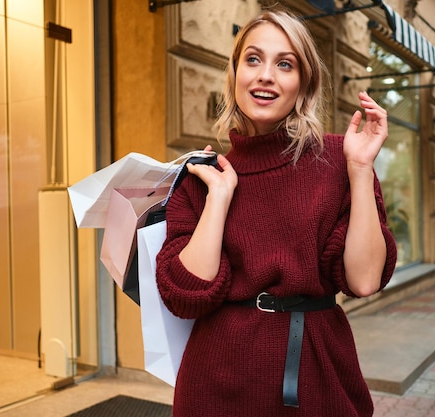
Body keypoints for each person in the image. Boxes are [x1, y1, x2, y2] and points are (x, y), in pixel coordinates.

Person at [156, 9, 397, 416]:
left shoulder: (342, 159)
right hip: (215, 384)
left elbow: (365, 279)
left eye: (285, 64)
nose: (266, 75)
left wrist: (359, 171)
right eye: (253, 59)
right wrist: (219, 196)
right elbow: (186, 296)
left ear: (303, 83)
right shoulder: (201, 176)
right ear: (234, 75)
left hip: (317, 376)